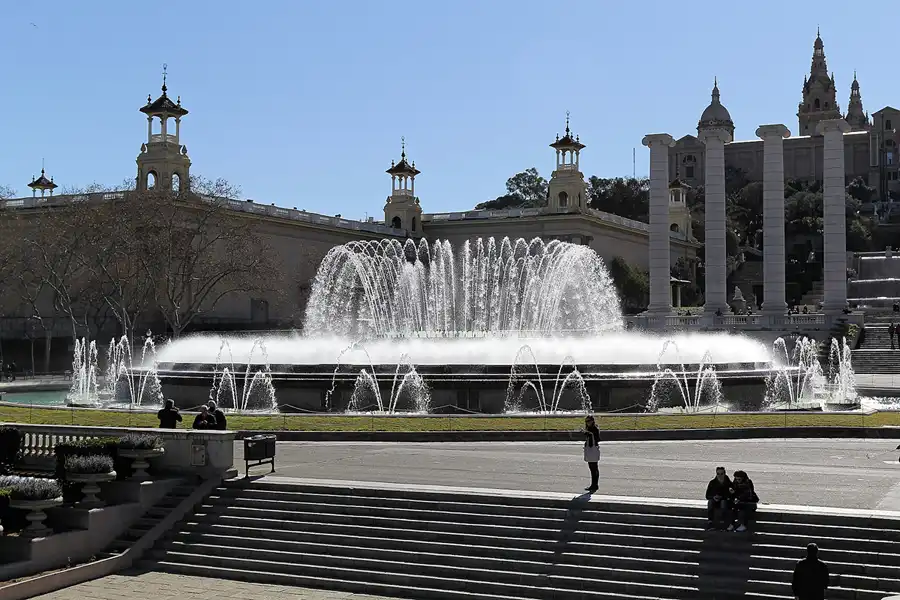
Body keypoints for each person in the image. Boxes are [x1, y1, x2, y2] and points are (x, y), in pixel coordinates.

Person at [705, 466, 732, 530]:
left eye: (721, 474)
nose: (720, 475)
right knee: (710, 502)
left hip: (725, 501)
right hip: (715, 500)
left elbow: (731, 495)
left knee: (723, 503)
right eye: (718, 474)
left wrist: (722, 497)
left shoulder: (729, 483)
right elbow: (707, 495)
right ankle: (710, 521)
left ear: (725, 473)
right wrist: (714, 497)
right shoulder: (712, 483)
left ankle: (722, 521)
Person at [582, 415, 601, 493]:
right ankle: (594, 484)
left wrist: (589, 433)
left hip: (593, 450)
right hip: (591, 450)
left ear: (592, 421)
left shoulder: (595, 429)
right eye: (586, 421)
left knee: (594, 468)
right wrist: (586, 433)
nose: (587, 423)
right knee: (592, 468)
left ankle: (595, 485)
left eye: (589, 421)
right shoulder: (589, 429)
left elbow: (597, 439)